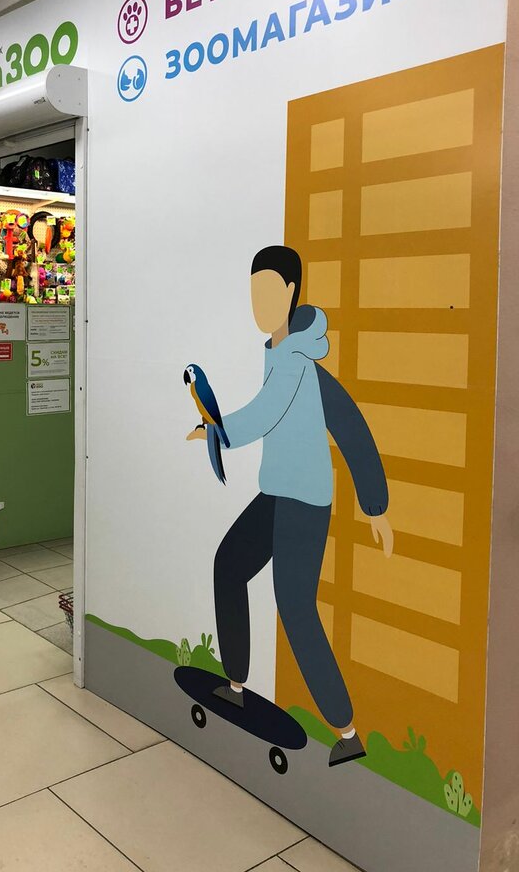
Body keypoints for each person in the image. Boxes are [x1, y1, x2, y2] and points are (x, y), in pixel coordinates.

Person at [188, 245, 393, 767]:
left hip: (303, 503)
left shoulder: (296, 364)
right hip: (276, 494)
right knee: (229, 566)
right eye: (252, 291)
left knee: (295, 607)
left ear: (291, 292)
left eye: (268, 291)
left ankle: (347, 732)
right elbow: (344, 421)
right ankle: (236, 684)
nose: (258, 302)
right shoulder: (282, 353)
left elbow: (277, 416)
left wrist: (376, 506)